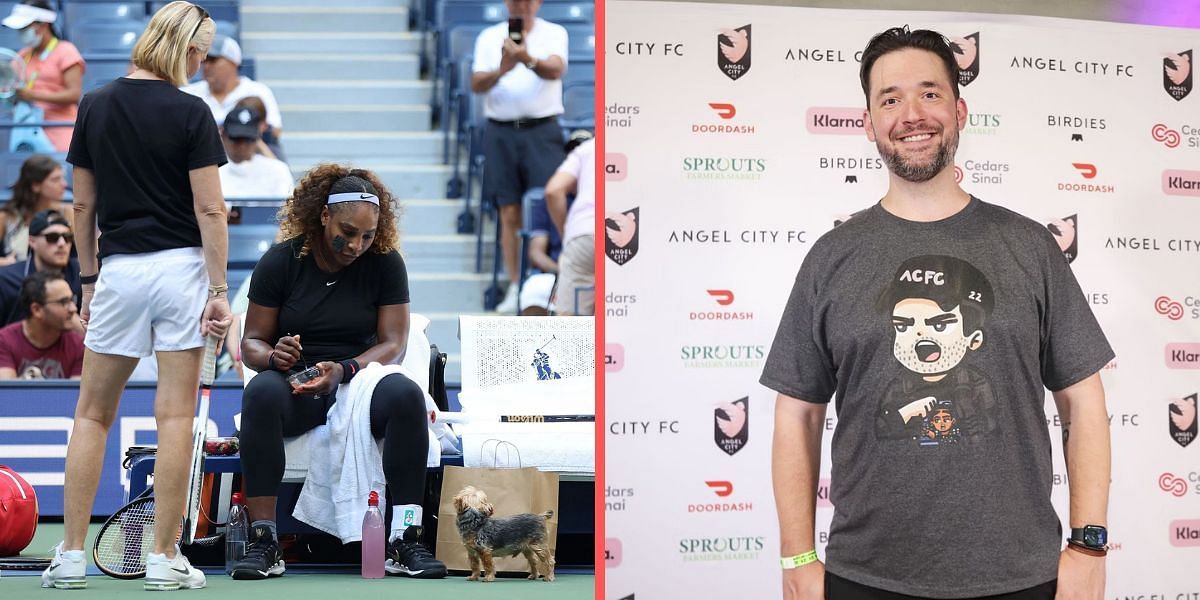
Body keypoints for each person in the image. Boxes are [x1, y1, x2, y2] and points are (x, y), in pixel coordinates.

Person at [761, 27, 1112, 600]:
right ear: (869, 122)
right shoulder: (832, 257)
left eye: (929, 93)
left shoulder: (1028, 246)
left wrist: (1089, 546)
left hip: (1021, 576)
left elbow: (1085, 403)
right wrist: (797, 557)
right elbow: (795, 416)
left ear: (960, 109)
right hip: (864, 576)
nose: (911, 114)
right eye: (890, 98)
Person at [42, 2, 231, 591]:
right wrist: (220, 290)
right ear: (185, 48)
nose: (202, 63)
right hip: (181, 272)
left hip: (119, 273)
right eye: (201, 51)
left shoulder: (95, 103)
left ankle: (70, 554)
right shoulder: (192, 111)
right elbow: (209, 209)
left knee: (92, 414)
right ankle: (163, 557)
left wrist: (90, 280)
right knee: (174, 416)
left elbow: (81, 206)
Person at [231, 165, 446, 581]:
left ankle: (405, 540)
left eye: (367, 236)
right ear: (323, 216)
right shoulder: (281, 261)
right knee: (259, 395)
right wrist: (275, 357)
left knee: (405, 395)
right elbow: (250, 342)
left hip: (358, 381)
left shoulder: (385, 263)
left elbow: (393, 345)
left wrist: (345, 369)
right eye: (347, 232)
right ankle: (264, 540)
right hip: (297, 381)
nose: (356, 245)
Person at [470, 0, 568, 313]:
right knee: (508, 210)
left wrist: (524, 57)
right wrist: (504, 67)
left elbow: (556, 70)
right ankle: (516, 284)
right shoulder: (489, 36)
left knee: (548, 205)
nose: (521, 6)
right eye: (515, 1)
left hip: (543, 130)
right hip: (501, 131)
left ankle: (551, 284)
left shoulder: (554, 32)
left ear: (538, 3)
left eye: (527, 1)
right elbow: (476, 83)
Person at [2, 0, 86, 152]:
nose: (21, 33)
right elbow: (10, 90)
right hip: (26, 130)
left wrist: (32, 95)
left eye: (25, 28)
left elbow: (74, 95)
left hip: (61, 132)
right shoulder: (22, 55)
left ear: (44, 25)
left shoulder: (66, 51)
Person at [182, 34, 284, 148]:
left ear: (234, 62)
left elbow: (275, 131)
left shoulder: (257, 91)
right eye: (204, 60)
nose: (206, 66)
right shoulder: (187, 93)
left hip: (247, 157)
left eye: (213, 60)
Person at [0, 209, 80, 327]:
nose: (62, 243)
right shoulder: (6, 280)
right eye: (52, 237)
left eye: (67, 237)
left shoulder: (82, 275)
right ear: (32, 241)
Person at [544, 133, 594, 316]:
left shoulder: (587, 149)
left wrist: (567, 235)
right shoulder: (642, 150)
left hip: (585, 233)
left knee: (569, 328)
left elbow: (553, 190)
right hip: (631, 237)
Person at [0, 270, 83, 379]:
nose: (73, 308)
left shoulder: (79, 345)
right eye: (63, 302)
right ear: (37, 309)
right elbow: (7, 393)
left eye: (72, 300)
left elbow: (77, 394)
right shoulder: (4, 341)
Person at [0, 155, 71, 264]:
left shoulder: (67, 213)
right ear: (35, 185)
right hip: (17, 277)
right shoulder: (7, 217)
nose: (64, 184)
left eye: (62, 178)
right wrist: (6, 262)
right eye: (55, 179)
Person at [218, 106, 293, 200]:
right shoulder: (211, 171)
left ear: (258, 137)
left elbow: (287, 210)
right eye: (236, 138)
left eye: (248, 139)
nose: (242, 145)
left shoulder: (277, 170)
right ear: (223, 135)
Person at [233, 96, 285, 161]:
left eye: (252, 124)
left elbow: (281, 169)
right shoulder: (228, 140)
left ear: (264, 125)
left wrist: (258, 143)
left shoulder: (271, 145)